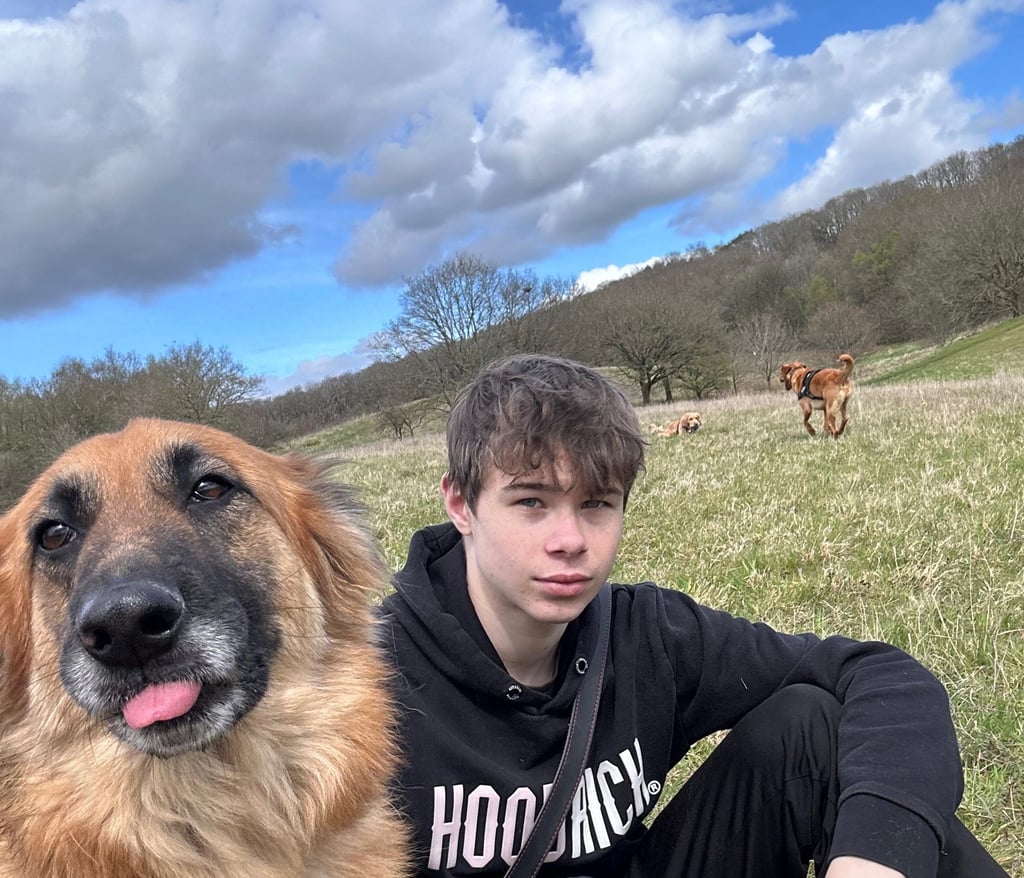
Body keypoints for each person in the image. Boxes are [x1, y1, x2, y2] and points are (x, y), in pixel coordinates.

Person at [378, 354, 1007, 878]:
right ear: (462, 504)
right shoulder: (365, 678)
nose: (569, 539)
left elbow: (880, 674)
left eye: (596, 503)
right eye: (531, 502)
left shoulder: (646, 636)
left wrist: (876, 855)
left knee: (808, 724)